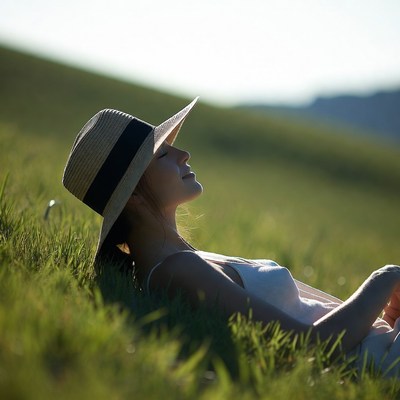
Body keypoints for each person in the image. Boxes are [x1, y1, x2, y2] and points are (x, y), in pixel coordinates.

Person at [63, 97, 400, 378]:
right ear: (133, 194)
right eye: (163, 154)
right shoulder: (175, 270)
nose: (183, 154)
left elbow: (314, 318)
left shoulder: (185, 260)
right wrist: (384, 278)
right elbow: (308, 345)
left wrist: (384, 318)